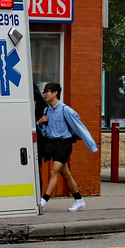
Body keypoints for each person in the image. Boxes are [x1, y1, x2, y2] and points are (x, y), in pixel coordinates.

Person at [37, 82, 98, 212]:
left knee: (54, 172)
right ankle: (79, 200)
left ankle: (43, 201)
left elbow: (80, 127)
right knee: (66, 175)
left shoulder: (66, 110)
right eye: (44, 92)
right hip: (52, 145)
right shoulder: (47, 110)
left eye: (47, 91)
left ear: (55, 93)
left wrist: (91, 145)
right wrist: (40, 123)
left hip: (64, 145)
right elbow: (45, 132)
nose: (45, 94)